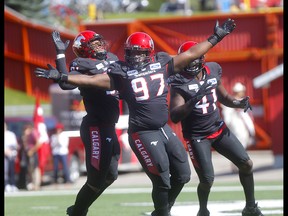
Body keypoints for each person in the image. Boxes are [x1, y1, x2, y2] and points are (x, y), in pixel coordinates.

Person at [35, 18, 236, 216]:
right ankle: (79, 211)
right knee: (151, 179)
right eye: (132, 53)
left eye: (140, 53)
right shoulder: (122, 71)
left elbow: (191, 53)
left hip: (156, 127)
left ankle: (161, 210)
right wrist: (62, 73)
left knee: (180, 175)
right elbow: (95, 80)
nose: (136, 58)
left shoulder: (159, 62)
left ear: (149, 52)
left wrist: (217, 36)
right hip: (126, 128)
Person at [168, 41, 263, 216]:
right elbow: (174, 115)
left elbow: (224, 97)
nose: (190, 63)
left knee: (246, 164)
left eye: (193, 59)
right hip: (197, 136)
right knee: (207, 179)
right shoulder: (178, 81)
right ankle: (203, 211)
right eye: (187, 59)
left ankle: (250, 207)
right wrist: (193, 100)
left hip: (218, 129)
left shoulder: (212, 70)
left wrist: (237, 102)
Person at [51, 30, 121, 216]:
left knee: (111, 175)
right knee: (96, 178)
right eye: (94, 44)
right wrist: (60, 54)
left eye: (100, 42)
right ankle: (78, 211)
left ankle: (79, 209)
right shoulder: (81, 63)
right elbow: (66, 84)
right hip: (95, 126)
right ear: (84, 49)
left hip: (110, 125)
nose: (99, 46)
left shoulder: (112, 57)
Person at [22, 122, 42, 191]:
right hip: (28, 154)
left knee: (35, 169)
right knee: (30, 170)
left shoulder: (33, 133)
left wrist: (32, 151)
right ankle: (32, 184)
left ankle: (36, 184)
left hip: (33, 154)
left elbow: (38, 143)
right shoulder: (26, 136)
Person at [4, 122, 19, 192]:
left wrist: (10, 150)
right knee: (5, 171)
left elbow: (15, 145)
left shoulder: (11, 134)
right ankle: (6, 184)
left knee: (12, 170)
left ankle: (13, 184)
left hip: (11, 155)